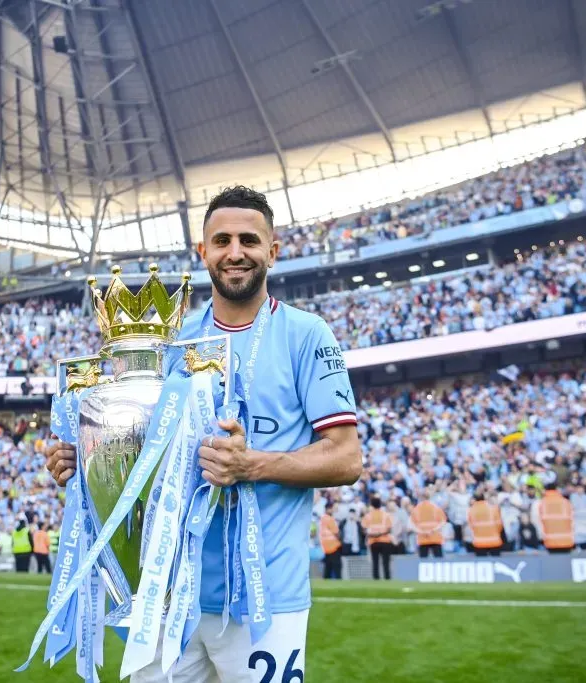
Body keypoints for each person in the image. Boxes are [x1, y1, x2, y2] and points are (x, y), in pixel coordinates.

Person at [44, 185, 362, 682]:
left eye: (249, 240)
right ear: (203, 253)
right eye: (222, 241)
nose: (236, 252)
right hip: (170, 596)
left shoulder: (308, 334)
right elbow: (140, 458)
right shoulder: (172, 343)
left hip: (265, 599)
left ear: (272, 252)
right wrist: (87, 460)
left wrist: (251, 464)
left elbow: (346, 459)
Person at [362, 496, 393, 579]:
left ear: (372, 505)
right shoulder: (386, 515)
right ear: (380, 504)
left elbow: (364, 530)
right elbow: (389, 529)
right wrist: (380, 533)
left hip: (373, 541)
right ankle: (387, 579)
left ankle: (376, 580)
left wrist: (373, 535)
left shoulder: (368, 516)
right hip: (385, 541)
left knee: (375, 562)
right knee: (386, 562)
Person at [538, 484, 574, 553]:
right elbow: (572, 520)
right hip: (566, 541)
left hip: (550, 542)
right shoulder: (566, 502)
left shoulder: (542, 503)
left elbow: (538, 521)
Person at [467, 492, 503, 557]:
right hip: (494, 541)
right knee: (496, 562)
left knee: (482, 564)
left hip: (479, 542)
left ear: (474, 500)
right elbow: (499, 524)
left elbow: (471, 526)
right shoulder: (493, 508)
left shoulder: (471, 510)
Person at [319, 502, 342, 579]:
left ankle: (326, 580)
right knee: (337, 566)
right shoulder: (330, 519)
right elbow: (336, 532)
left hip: (325, 546)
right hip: (333, 545)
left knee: (328, 566)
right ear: (328, 509)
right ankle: (338, 581)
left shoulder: (322, 519)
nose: (332, 510)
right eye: (332, 509)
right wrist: (340, 539)